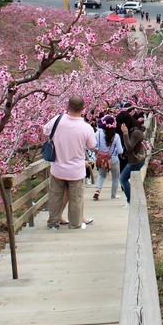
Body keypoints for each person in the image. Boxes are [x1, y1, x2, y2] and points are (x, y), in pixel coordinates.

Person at [43, 95, 96, 230]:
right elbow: (92, 146)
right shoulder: (86, 128)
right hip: (76, 170)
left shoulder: (57, 120)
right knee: (76, 199)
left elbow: (45, 131)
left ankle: (52, 223)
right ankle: (75, 224)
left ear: (68, 106)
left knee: (55, 197)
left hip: (57, 168)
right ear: (83, 109)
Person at [93, 115, 123, 201]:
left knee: (101, 175)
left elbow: (93, 145)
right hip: (113, 160)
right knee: (115, 178)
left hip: (101, 159)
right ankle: (113, 195)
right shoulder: (116, 136)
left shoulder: (97, 134)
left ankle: (97, 190)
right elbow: (120, 151)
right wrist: (114, 151)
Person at [119, 124, 146, 208]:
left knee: (123, 179)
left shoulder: (136, 133)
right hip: (136, 160)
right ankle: (135, 199)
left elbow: (129, 146)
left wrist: (125, 133)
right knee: (132, 180)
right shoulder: (137, 131)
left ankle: (131, 201)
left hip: (135, 161)